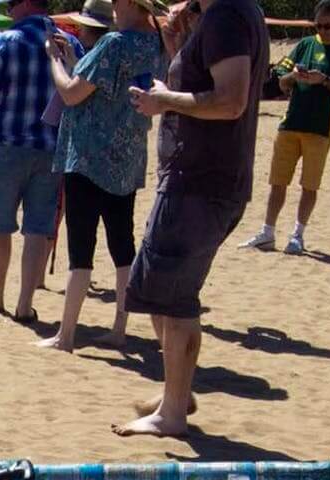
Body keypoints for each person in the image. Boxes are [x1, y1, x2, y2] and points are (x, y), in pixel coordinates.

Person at [113, 0, 269, 439]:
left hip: (200, 181)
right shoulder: (236, 13)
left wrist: (165, 101)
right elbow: (215, 85)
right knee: (166, 295)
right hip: (206, 178)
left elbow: (230, 101)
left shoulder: (228, 15)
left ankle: (173, 412)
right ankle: (174, 397)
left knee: (175, 299)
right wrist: (180, 45)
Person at [38, 0, 165, 353]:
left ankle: (66, 335)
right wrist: (71, 63)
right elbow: (101, 86)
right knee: (122, 244)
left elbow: (71, 93)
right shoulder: (155, 45)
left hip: (89, 158)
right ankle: (119, 329)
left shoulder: (114, 43)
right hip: (127, 157)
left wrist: (53, 59)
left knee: (82, 248)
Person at [238, 0, 330, 256]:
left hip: (321, 128)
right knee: (277, 182)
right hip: (290, 124)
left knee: (309, 185)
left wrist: (324, 80)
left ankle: (297, 235)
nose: (324, 30)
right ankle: (267, 232)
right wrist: (294, 76)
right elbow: (280, 83)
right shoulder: (305, 45)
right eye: (319, 25)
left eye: (329, 25)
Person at [0, 0, 61, 322]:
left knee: (0, 224)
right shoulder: (68, 41)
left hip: (9, 144)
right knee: (38, 228)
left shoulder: (6, 41)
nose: (9, 9)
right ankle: (25, 304)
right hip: (51, 147)